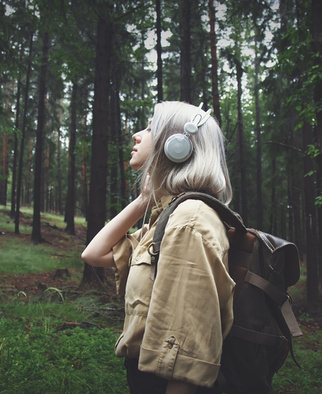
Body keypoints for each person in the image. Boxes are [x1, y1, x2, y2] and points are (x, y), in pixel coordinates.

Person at [82, 101, 235, 393]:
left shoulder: (188, 221)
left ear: (177, 145)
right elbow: (93, 254)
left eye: (151, 129)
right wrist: (144, 199)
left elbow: (189, 344)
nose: (137, 135)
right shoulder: (165, 219)